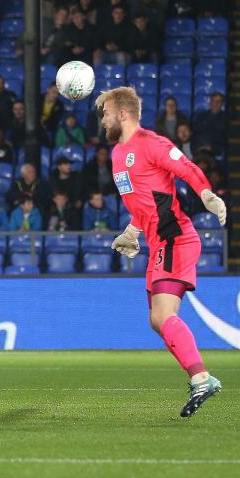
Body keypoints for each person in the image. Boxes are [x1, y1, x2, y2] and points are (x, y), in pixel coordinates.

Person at [96, 86, 226, 417]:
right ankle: (199, 376)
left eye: (106, 114)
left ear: (122, 114)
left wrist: (207, 194)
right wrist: (132, 231)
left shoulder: (151, 143)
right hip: (158, 243)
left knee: (165, 315)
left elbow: (187, 168)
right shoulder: (115, 156)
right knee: (157, 320)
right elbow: (142, 203)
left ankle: (201, 378)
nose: (103, 120)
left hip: (176, 238)